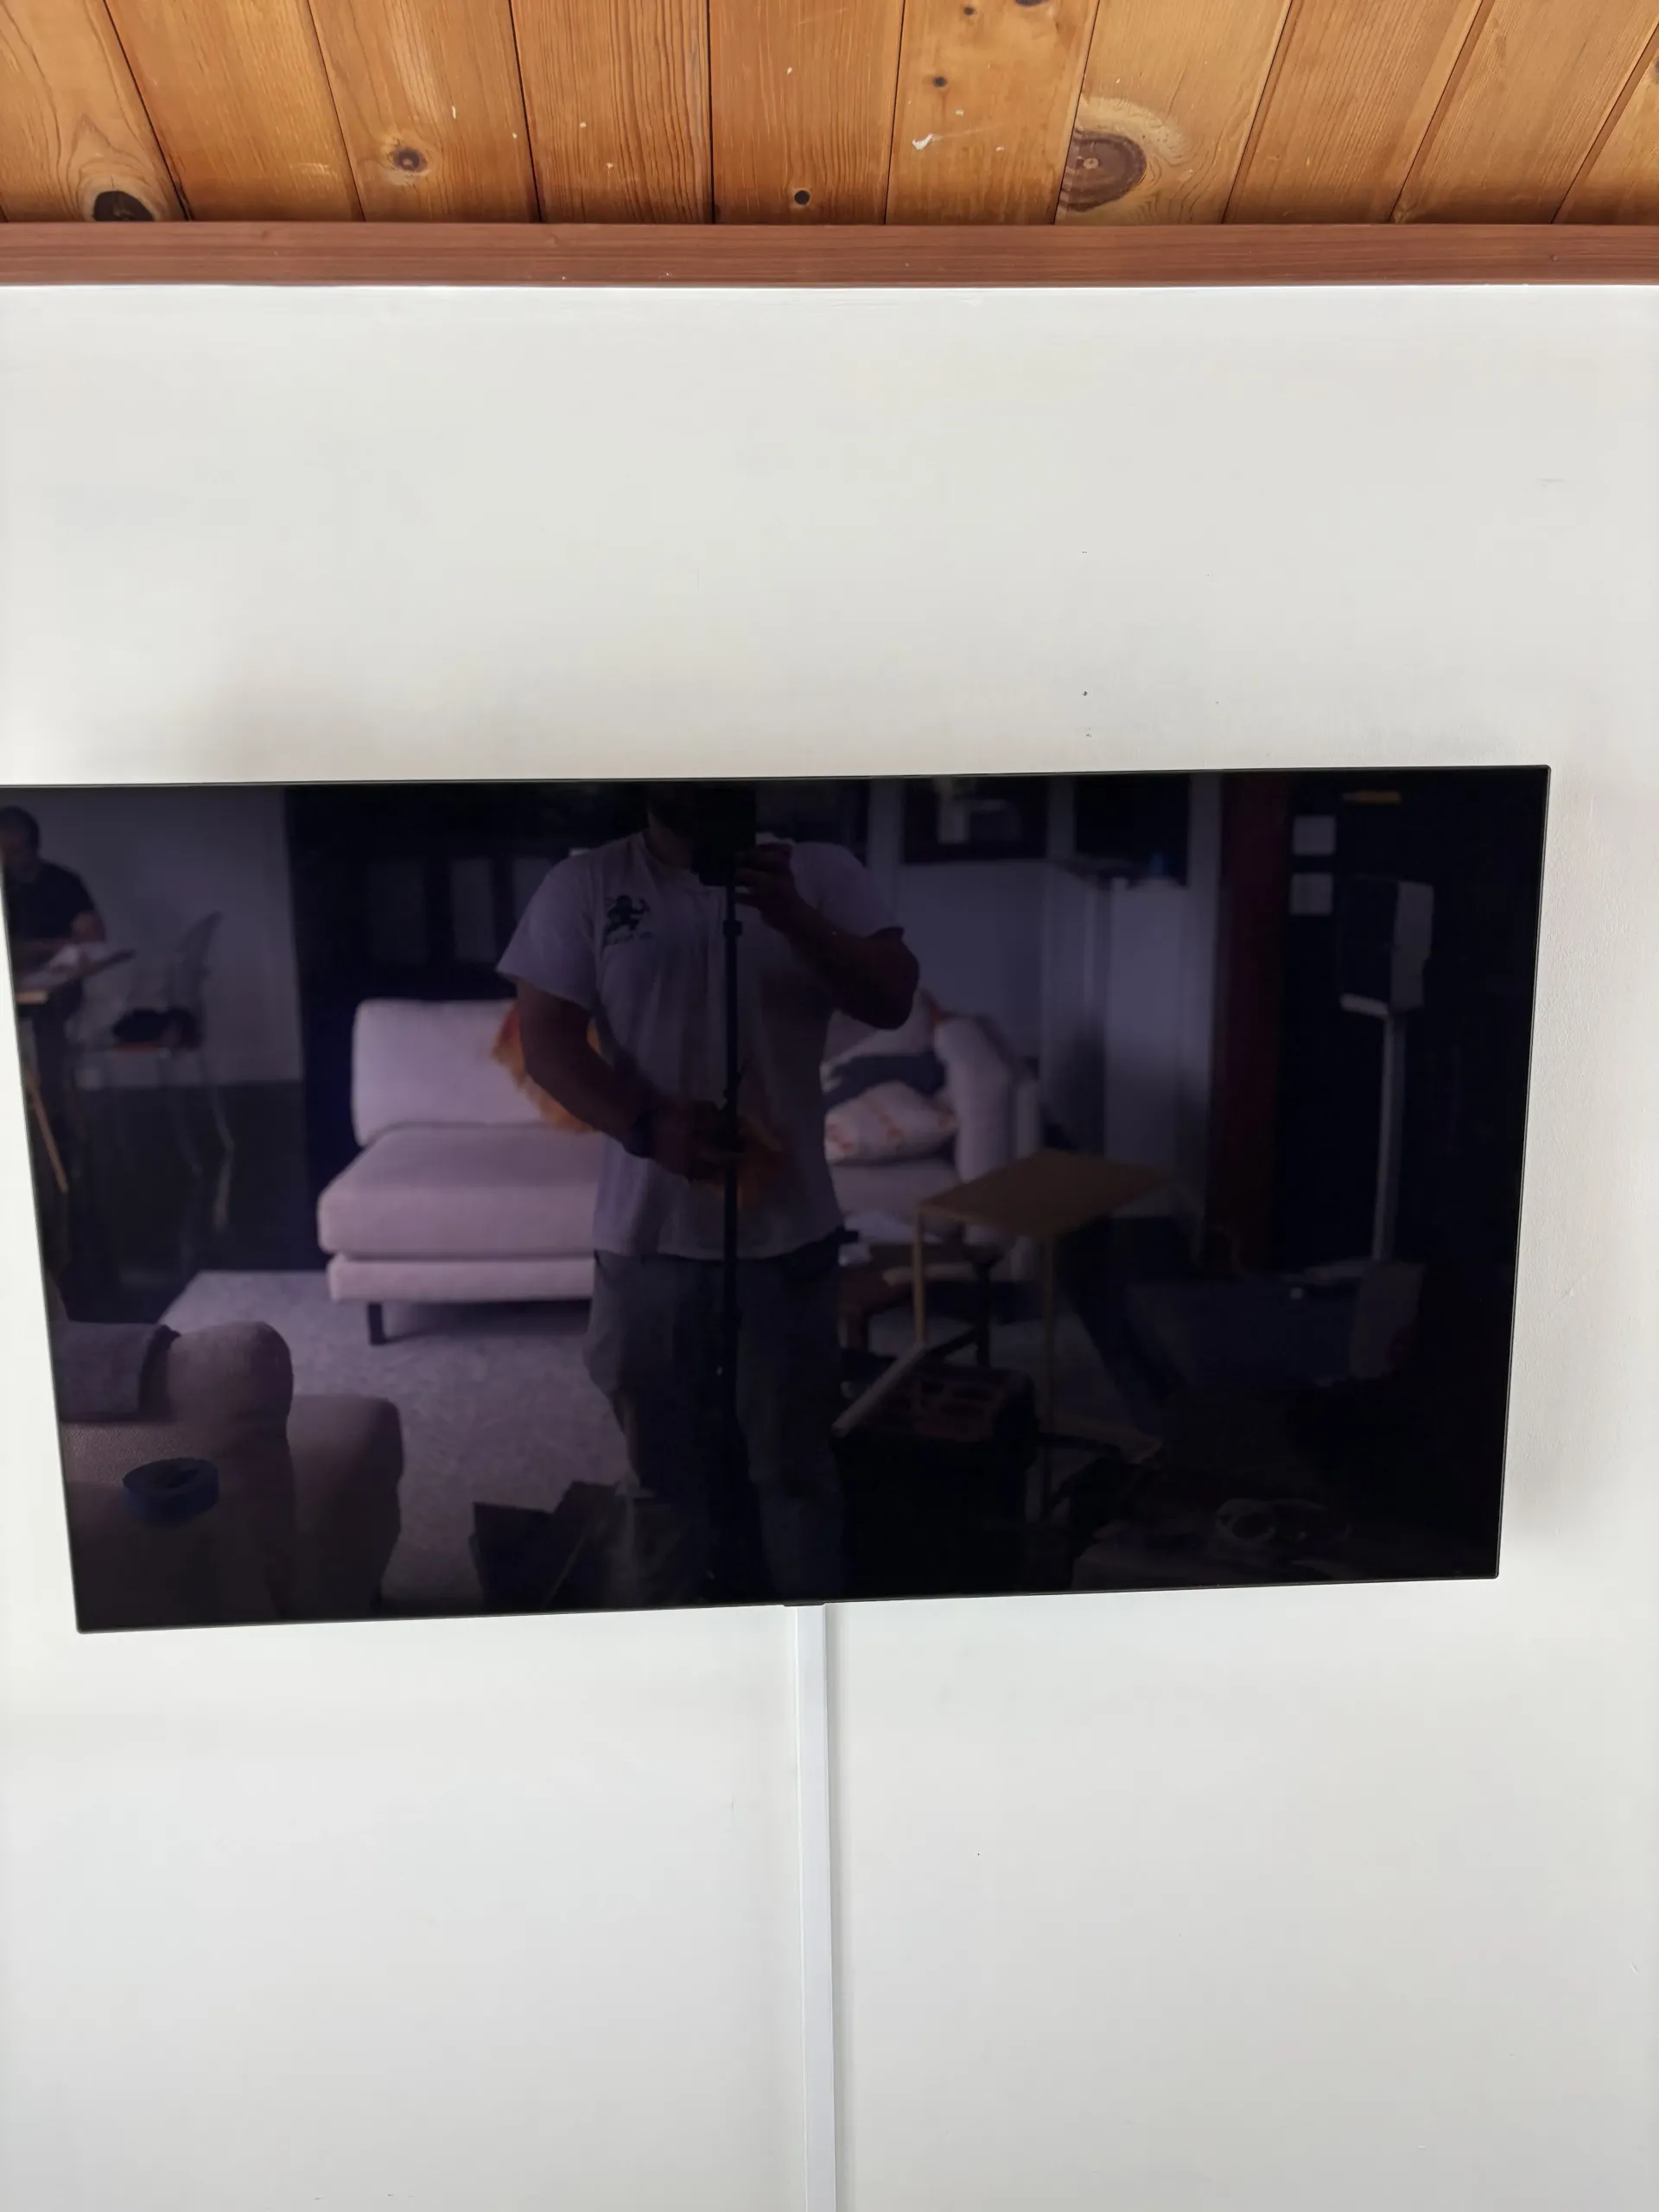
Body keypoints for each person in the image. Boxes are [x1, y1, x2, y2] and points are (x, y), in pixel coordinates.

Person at [500, 784, 918, 1605]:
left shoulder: (822, 873)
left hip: (789, 1232)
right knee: (663, 1479)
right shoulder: (585, 884)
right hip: (647, 1236)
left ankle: (809, 1671)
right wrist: (649, 1127)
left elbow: (891, 997)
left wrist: (793, 913)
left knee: (795, 1472)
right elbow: (545, 1039)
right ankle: (672, 1679)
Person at [1, 805, 106, 969]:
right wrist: (51, 947)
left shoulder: (63, 882)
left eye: (14, 851)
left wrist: (30, 949)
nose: (6, 859)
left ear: (33, 846)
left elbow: (93, 939)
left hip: (63, 980)